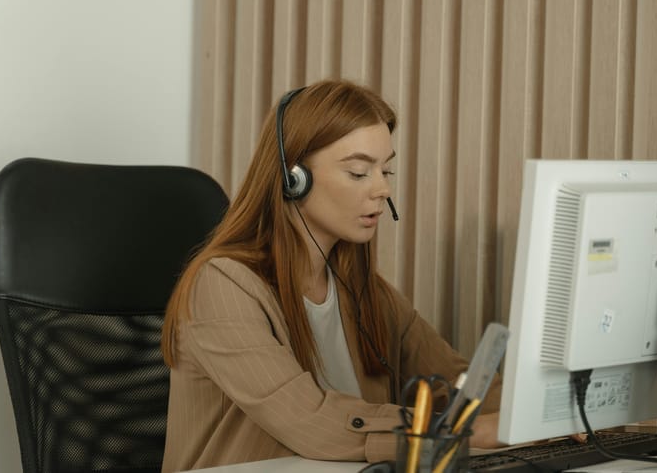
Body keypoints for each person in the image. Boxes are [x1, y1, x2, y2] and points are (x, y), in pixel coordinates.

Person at [160, 79, 502, 471]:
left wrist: (542, 415)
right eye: (359, 173)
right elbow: (311, 422)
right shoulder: (223, 287)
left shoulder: (365, 293)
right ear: (294, 180)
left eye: (385, 169)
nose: (383, 189)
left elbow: (460, 385)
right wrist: (465, 432)